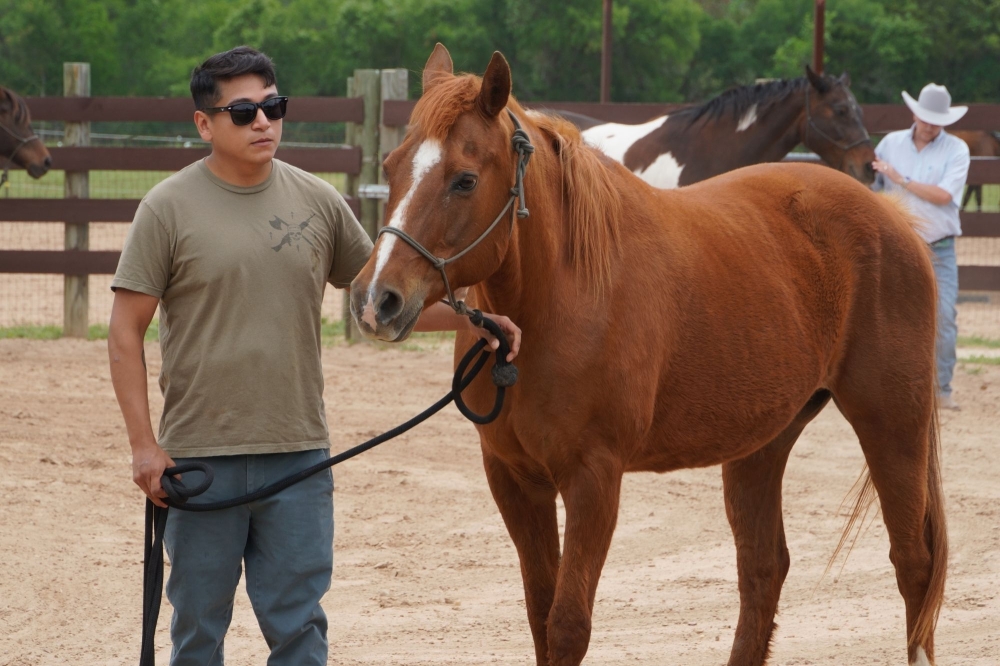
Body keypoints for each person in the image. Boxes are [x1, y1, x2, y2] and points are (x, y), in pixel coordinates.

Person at [107, 46, 520, 666]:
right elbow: (123, 332)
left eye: (272, 107)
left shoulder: (319, 202)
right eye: (243, 112)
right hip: (198, 460)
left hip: (298, 460)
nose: (263, 123)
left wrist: (475, 319)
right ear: (204, 124)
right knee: (195, 632)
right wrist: (144, 445)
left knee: (300, 632)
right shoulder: (166, 209)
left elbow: (377, 303)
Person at [872, 83, 970, 411]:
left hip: (937, 247)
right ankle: (885, 385)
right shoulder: (889, 144)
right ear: (914, 114)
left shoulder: (957, 150)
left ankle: (940, 389)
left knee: (943, 317)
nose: (929, 124)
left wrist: (901, 180)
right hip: (895, 246)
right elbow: (872, 188)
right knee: (882, 316)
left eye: (936, 120)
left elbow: (944, 196)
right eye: (926, 118)